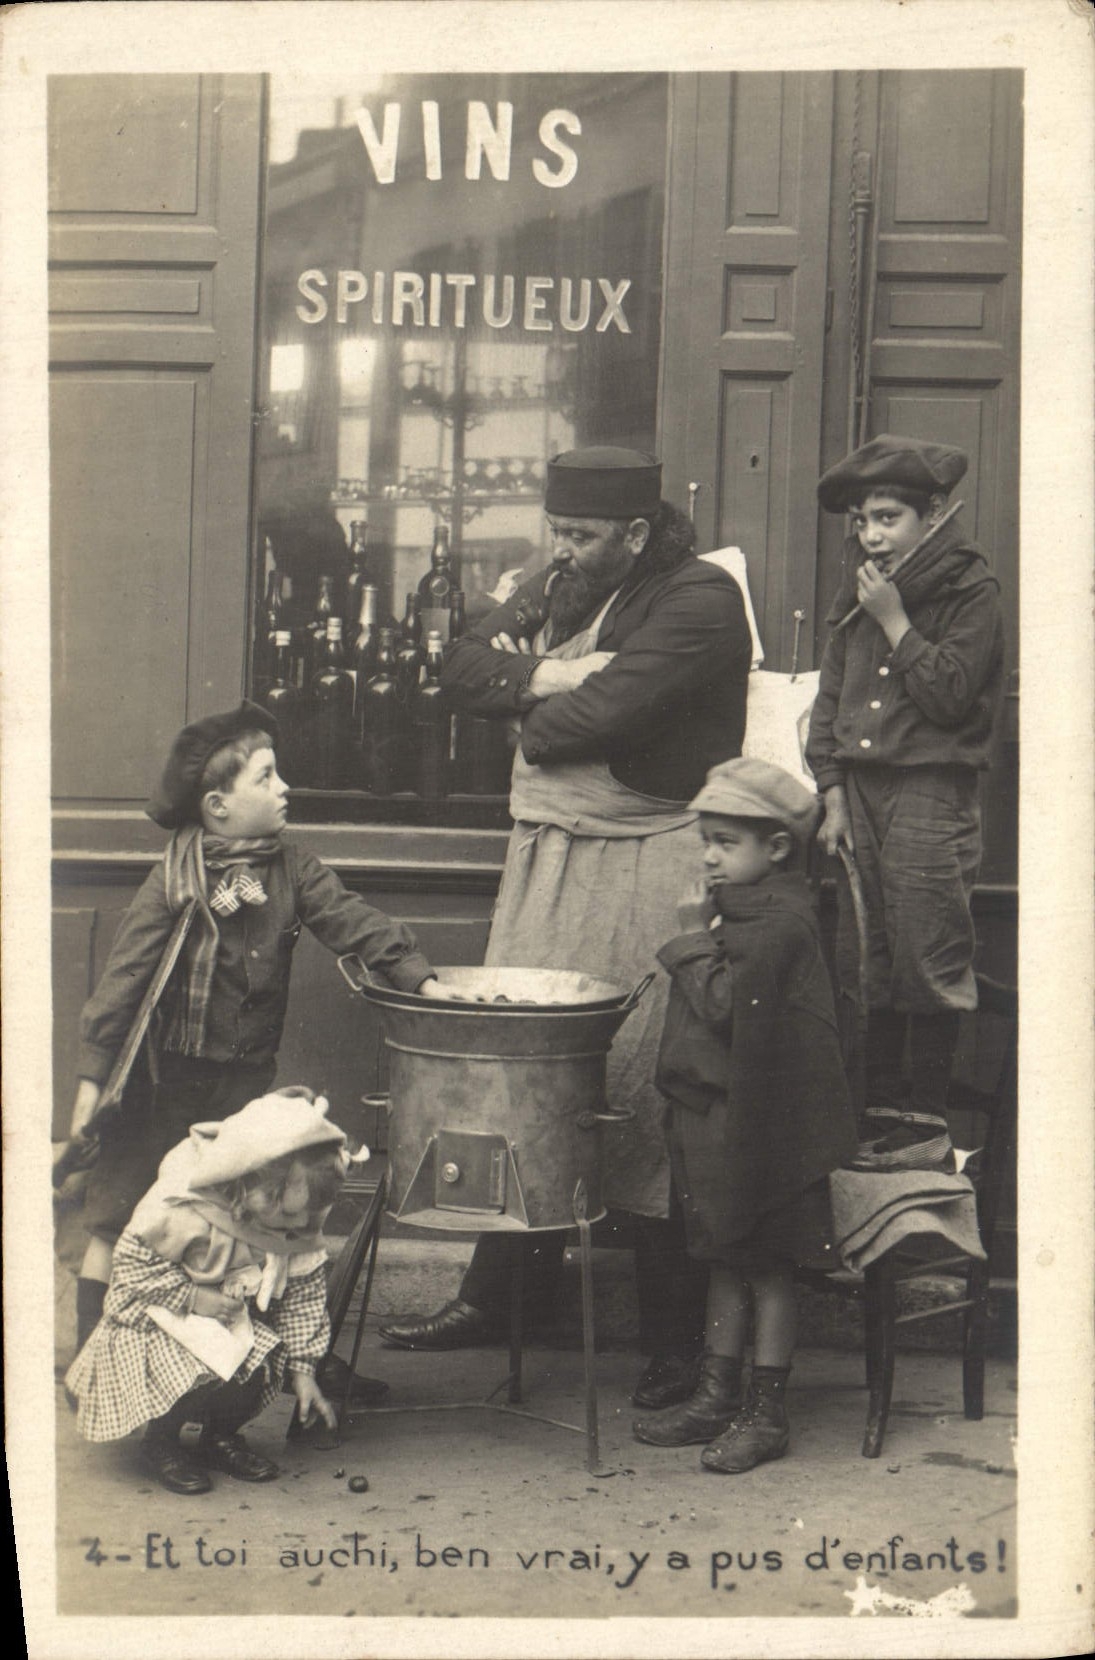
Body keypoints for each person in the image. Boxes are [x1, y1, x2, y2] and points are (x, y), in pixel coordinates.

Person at [378, 446, 754, 1410]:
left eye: (583, 535)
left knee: (642, 1085)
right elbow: (459, 665)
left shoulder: (699, 600)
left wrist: (534, 694)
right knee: (521, 1077)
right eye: (559, 531)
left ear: (635, 534)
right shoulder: (559, 579)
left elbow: (576, 727)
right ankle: (498, 1298)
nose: (564, 550)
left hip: (647, 865)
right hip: (551, 861)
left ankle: (673, 1339)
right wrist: (559, 669)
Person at [58, 700, 445, 1375]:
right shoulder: (174, 880)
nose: (284, 788)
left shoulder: (292, 867)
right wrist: (92, 1087)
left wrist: (419, 978)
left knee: (244, 1219)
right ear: (217, 805)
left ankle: (258, 1362)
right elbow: (121, 986)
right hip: (160, 1078)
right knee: (117, 1212)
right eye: (265, 778)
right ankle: (89, 1356)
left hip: (238, 1084)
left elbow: (350, 919)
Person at [633, 758, 857, 1471]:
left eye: (724, 842)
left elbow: (731, 1010)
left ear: (778, 848)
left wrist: (691, 937)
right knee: (726, 1258)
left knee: (766, 1267)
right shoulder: (749, 909)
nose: (707, 855)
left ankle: (766, 1412)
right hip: (721, 1120)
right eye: (705, 839)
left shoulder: (781, 921)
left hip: (762, 1130)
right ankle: (714, 1394)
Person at [804, 435, 1005, 1154]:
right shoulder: (859, 583)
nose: (872, 535)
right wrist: (829, 790)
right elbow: (829, 693)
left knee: (927, 957)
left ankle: (924, 1127)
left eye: (887, 518)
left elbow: (951, 695)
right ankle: (877, 1122)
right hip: (858, 795)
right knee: (870, 959)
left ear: (933, 514)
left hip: (929, 791)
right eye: (862, 521)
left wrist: (895, 620)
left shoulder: (968, 587)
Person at [66, 1089, 353, 1494]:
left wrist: (304, 1371)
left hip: (230, 1322)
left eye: (307, 1215)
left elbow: (304, 1294)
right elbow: (131, 1266)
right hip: (164, 1317)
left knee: (257, 1366)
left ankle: (220, 1435)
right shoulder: (185, 1206)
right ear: (248, 1183)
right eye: (289, 1212)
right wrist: (195, 1299)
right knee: (191, 1369)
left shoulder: (293, 1223)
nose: (298, 1223)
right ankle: (162, 1442)